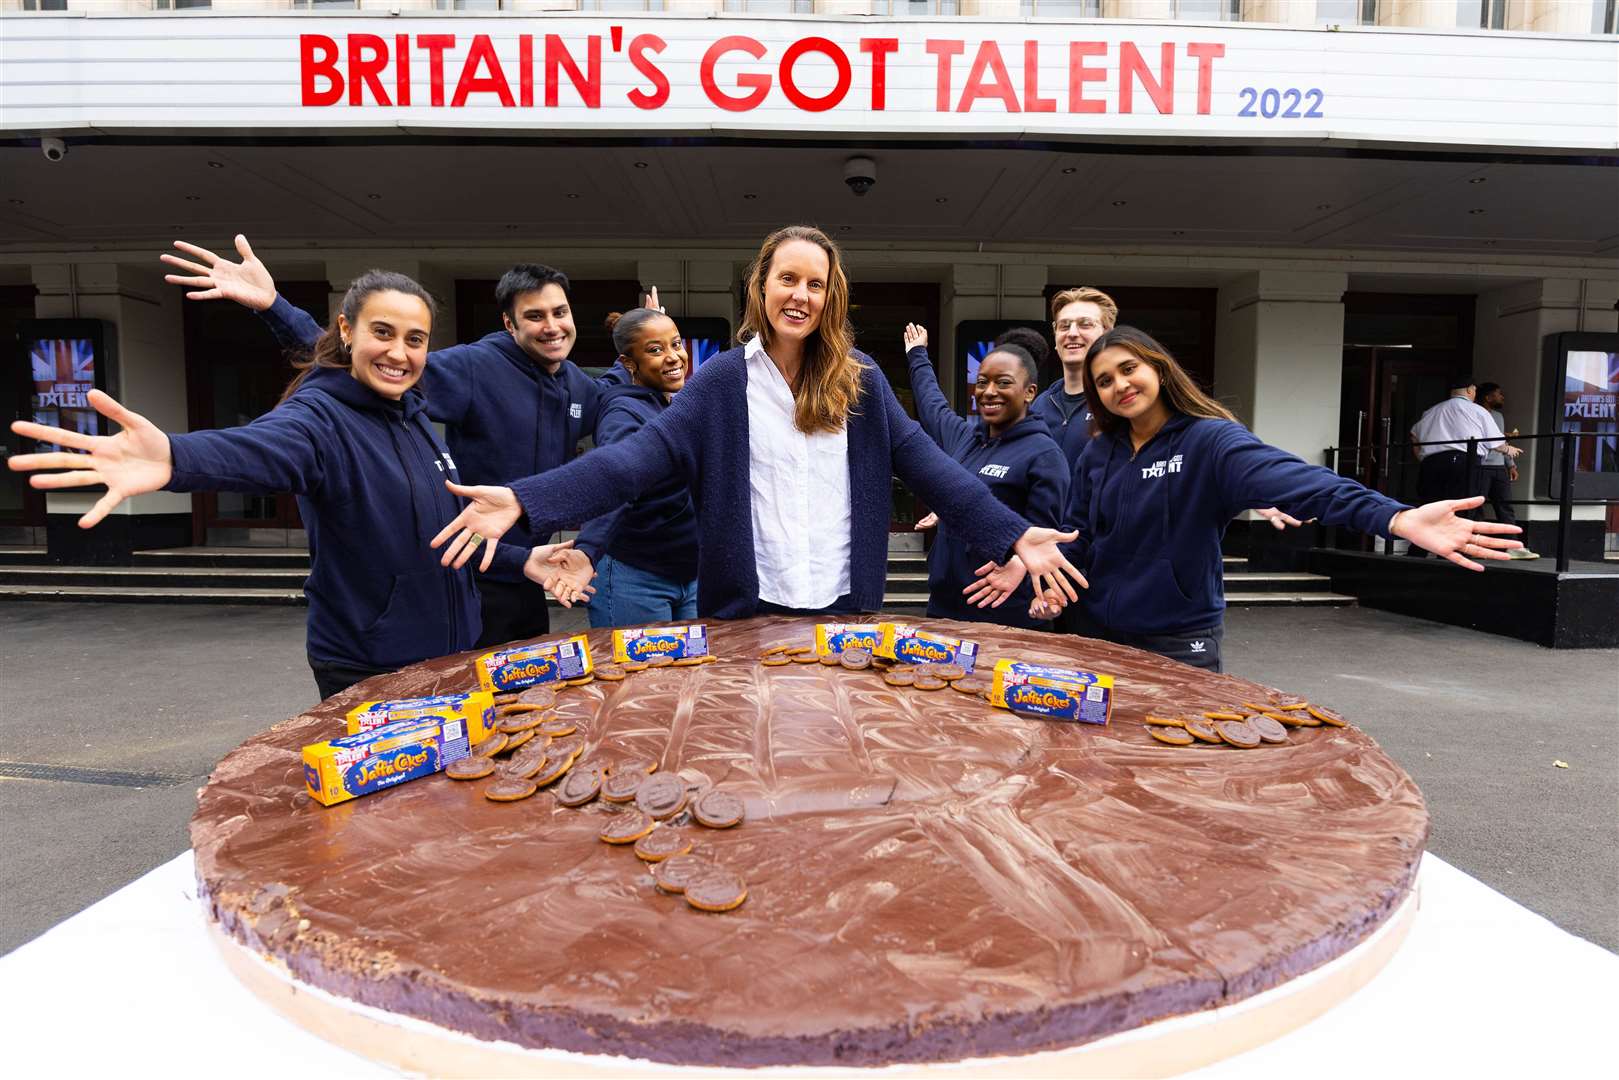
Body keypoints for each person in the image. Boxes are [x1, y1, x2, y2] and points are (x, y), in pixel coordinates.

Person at [430, 225, 1084, 618]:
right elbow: (631, 462)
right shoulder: (721, 382)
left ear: (831, 297)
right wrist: (526, 500)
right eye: (787, 279)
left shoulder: (860, 380)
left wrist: (1012, 534)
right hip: (749, 611)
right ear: (761, 286)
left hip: (842, 610)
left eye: (816, 284)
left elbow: (934, 471)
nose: (800, 295)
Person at [9, 271, 573, 700]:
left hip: (449, 655)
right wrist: (177, 457)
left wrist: (522, 561)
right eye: (383, 332)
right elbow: (262, 449)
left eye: (415, 339)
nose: (399, 353)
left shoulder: (417, 416)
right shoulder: (321, 418)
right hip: (371, 667)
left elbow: (442, 533)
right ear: (347, 331)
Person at [965, 327, 1523, 672]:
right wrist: (1049, 586)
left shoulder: (1210, 441)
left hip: (1175, 643)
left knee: (1174, 790)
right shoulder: (1098, 454)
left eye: (1128, 369)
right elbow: (1081, 540)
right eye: (1105, 381)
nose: (1119, 386)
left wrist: (1396, 517)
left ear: (1158, 366)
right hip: (1093, 638)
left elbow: (1303, 483)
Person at [160, 235, 626, 646]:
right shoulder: (472, 368)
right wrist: (273, 307)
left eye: (560, 312)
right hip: (470, 572)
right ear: (509, 324)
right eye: (535, 316)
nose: (552, 326)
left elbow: (620, 416)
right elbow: (365, 362)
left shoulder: (576, 385)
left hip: (527, 567)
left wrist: (645, 338)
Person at [902, 323, 1067, 629]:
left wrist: (1023, 572)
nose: (989, 392)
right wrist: (917, 355)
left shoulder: (1044, 455)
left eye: (1003, 383)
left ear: (1030, 391)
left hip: (1003, 611)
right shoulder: (965, 438)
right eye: (982, 382)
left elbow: (1048, 537)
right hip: (945, 606)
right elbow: (931, 404)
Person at [563, 308, 700, 627]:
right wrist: (588, 551)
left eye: (676, 344)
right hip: (636, 579)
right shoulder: (623, 413)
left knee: (692, 675)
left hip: (687, 575)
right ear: (628, 364)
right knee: (640, 678)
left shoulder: (668, 402)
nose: (674, 357)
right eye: (655, 350)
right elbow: (614, 482)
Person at [1407, 376, 1521, 558]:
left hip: (1432, 463)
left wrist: (1422, 456)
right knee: (1460, 509)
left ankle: (1417, 552)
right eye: (1474, 391)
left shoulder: (1432, 411)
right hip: (1464, 462)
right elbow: (1494, 441)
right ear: (1470, 390)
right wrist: (1508, 449)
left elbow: (1414, 435)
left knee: (1429, 508)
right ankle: (1450, 553)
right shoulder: (1477, 410)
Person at [1475, 382, 1538, 559]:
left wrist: (1510, 464)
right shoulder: (1474, 413)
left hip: (1498, 467)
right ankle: (1477, 546)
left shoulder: (1499, 416)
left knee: (1505, 506)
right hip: (1480, 466)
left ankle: (1513, 546)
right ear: (1487, 397)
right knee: (1476, 508)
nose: (1502, 397)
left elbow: (1501, 443)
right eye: (1498, 394)